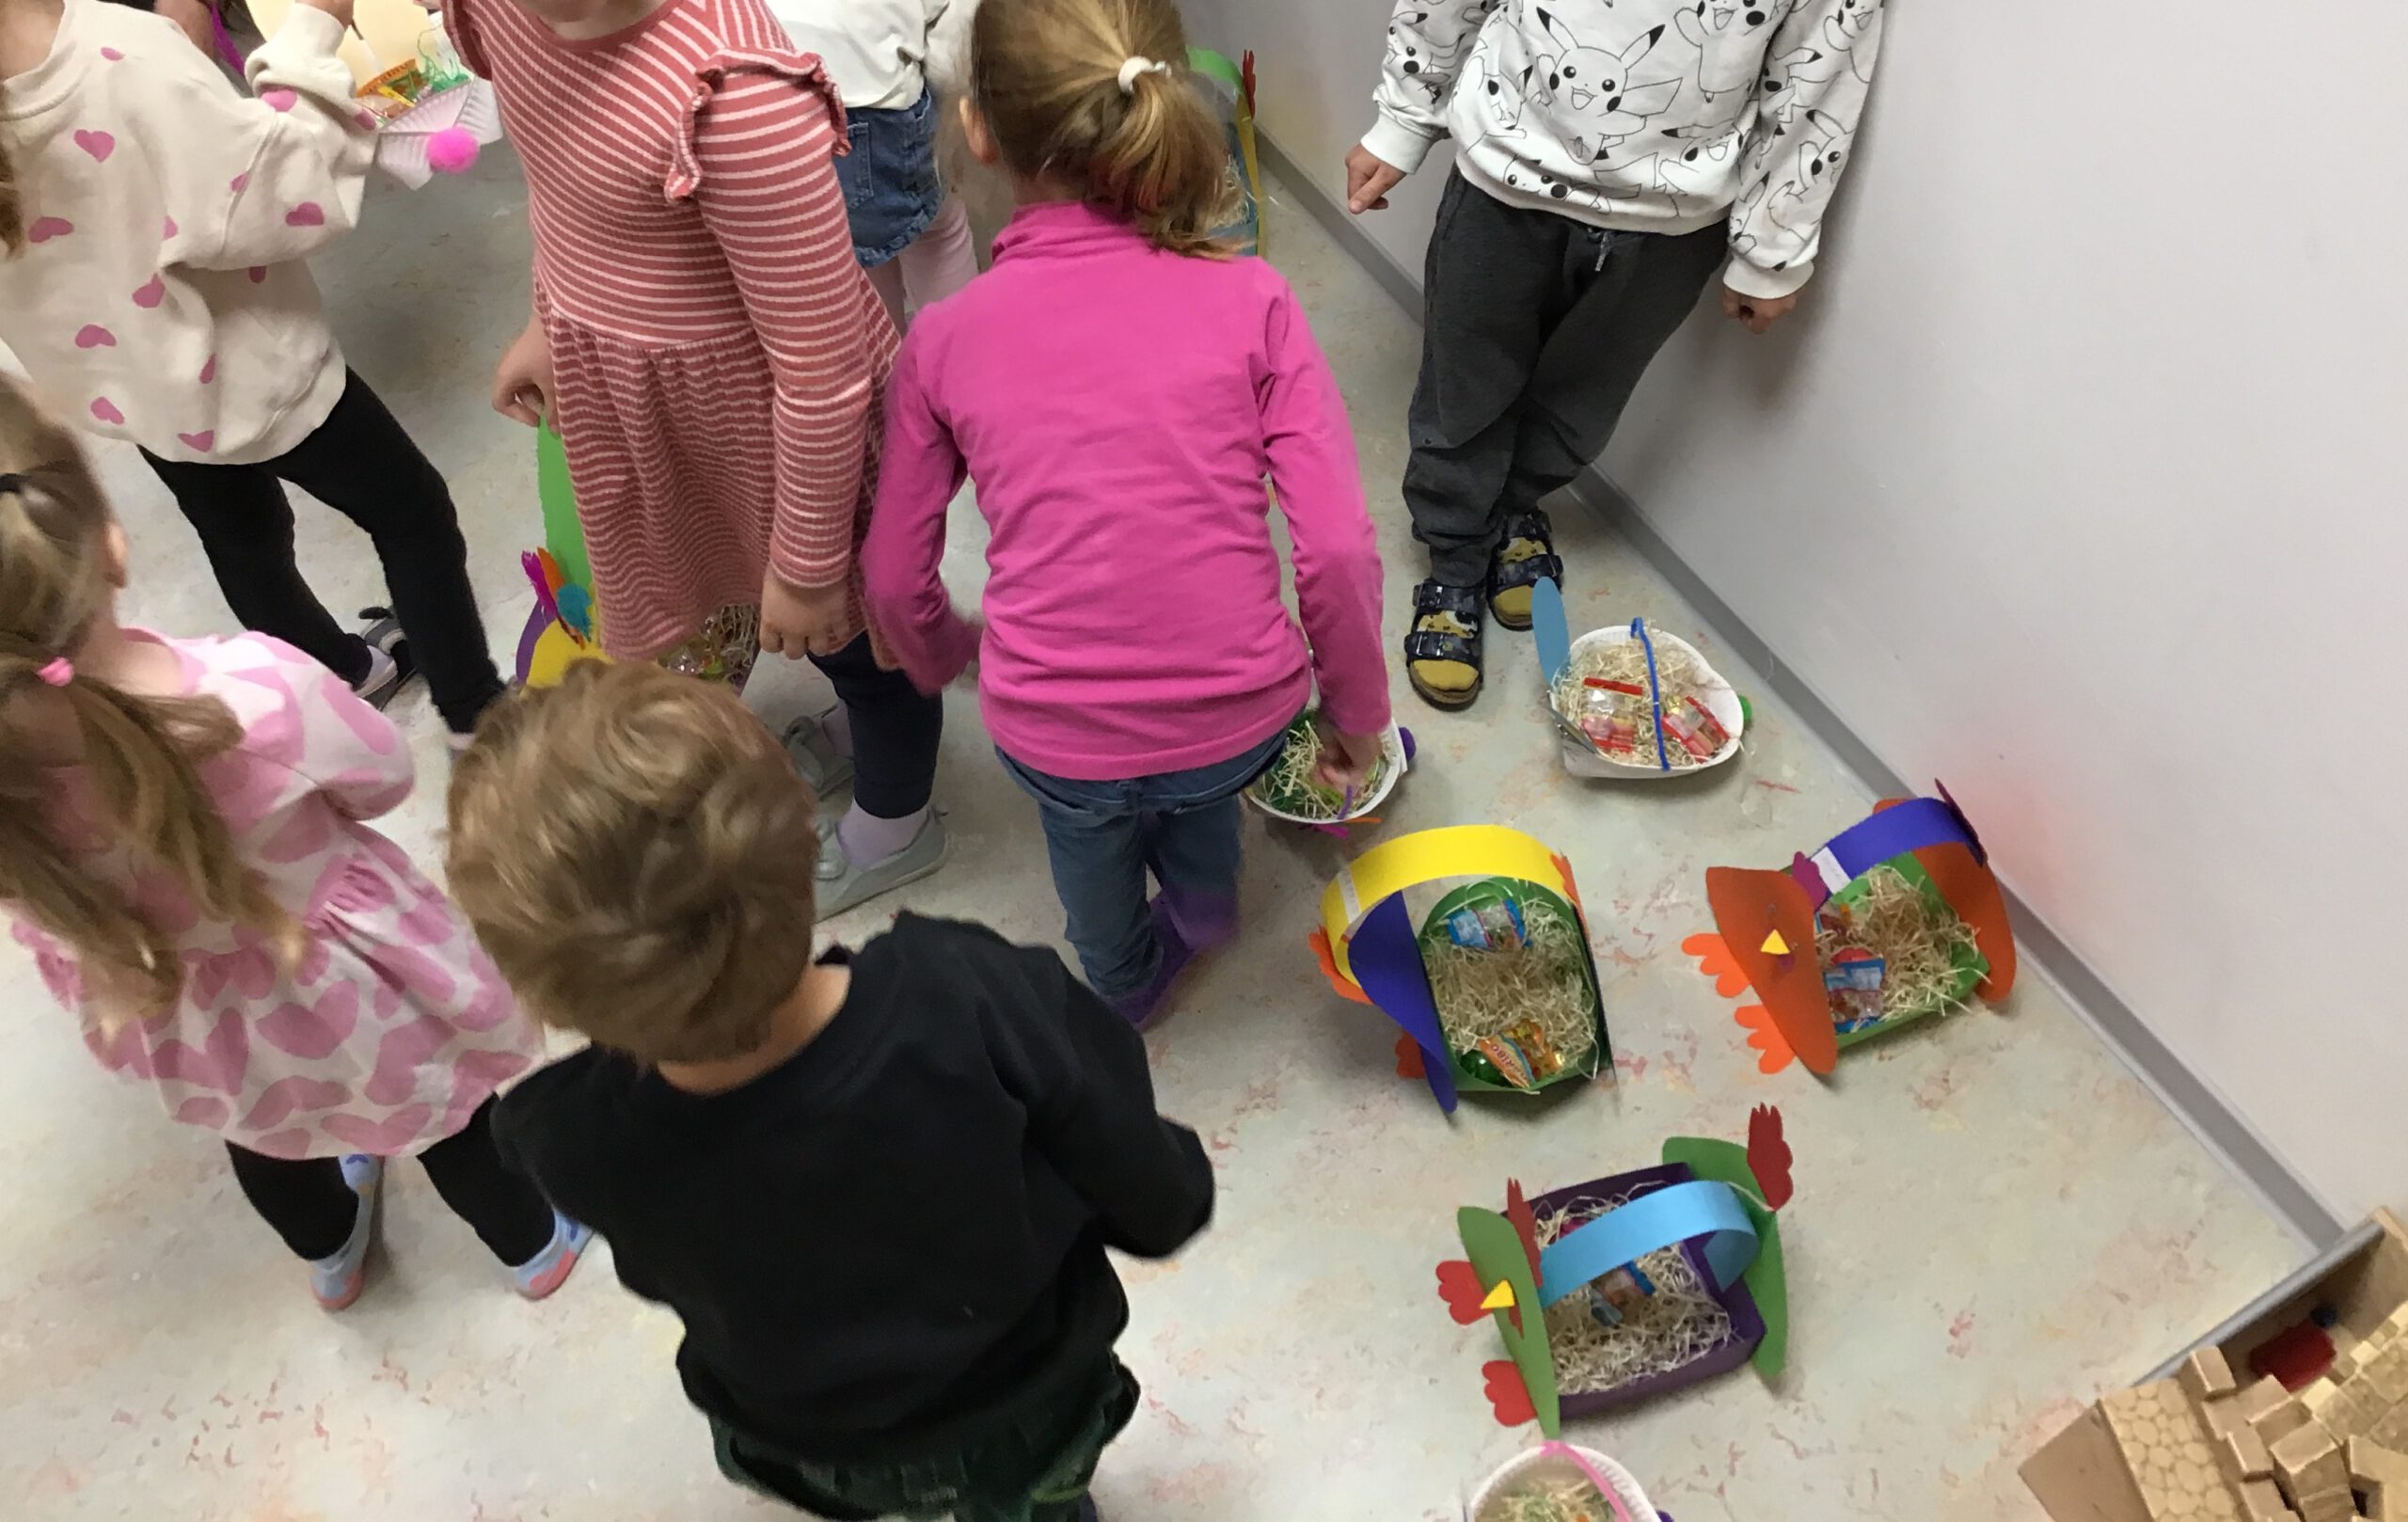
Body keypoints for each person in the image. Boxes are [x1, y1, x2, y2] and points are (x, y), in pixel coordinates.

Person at [447, 661, 1213, 1522]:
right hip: (1024, 1400)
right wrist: (1170, 1198)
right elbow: (1114, 1135)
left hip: (809, 1439)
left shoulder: (562, 1130)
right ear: (804, 848)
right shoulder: (962, 994)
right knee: (1037, 1501)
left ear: (545, 996)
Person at [0, 380, 589, 1310]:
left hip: (198, 1022)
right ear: (110, 546)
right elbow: (380, 774)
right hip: (353, 985)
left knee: (269, 1141)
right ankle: (533, 1246)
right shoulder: (251, 693)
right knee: (447, 1112)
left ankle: (332, 1252)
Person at [864, 0, 1389, 1025]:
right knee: (1199, 806)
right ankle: (1203, 905)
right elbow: (1335, 549)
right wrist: (1355, 712)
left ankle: (1122, 985)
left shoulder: (943, 338)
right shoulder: (1257, 300)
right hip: (1239, 714)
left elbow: (891, 579)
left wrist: (949, 652)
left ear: (978, 129)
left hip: (1052, 727)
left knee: (1088, 849)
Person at [459, 0, 946, 917]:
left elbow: (824, 375)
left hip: (789, 441)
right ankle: (856, 721)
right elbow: (559, 180)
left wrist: (805, 567)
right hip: (666, 427)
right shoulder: (499, 14)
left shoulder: (736, 102)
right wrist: (545, 316)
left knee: (857, 644)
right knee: (745, 609)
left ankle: (899, 823)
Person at [1348, 0, 1885, 708]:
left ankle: (1514, 510)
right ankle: (1455, 556)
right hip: (1505, 179)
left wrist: (1773, 246)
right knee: (1465, 388)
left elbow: (1819, 73)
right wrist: (1404, 120)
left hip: (1673, 219)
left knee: (1584, 402)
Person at [0, 0, 509, 737]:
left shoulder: (113, 60)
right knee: (413, 515)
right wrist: (312, 31)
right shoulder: (117, 54)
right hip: (261, 374)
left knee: (245, 544)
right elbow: (285, 194)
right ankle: (476, 718)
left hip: (138, 398)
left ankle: (347, 675)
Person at [764, 0, 983, 326]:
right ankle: (961, 344)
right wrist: (948, 129)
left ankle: (892, 352)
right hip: (882, 108)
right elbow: (948, 61)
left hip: (782, 102)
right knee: (938, 233)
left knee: (861, 249)